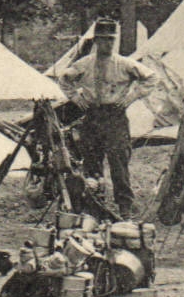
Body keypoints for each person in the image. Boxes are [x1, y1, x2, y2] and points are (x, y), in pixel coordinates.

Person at [59, 18, 155, 217]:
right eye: (103, 40)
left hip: (115, 118)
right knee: (92, 163)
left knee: (119, 163)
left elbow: (152, 77)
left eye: (111, 40)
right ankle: (95, 206)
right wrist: (76, 97)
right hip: (92, 116)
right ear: (96, 41)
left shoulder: (124, 64)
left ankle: (125, 208)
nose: (107, 44)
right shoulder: (84, 64)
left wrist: (132, 96)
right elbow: (64, 78)